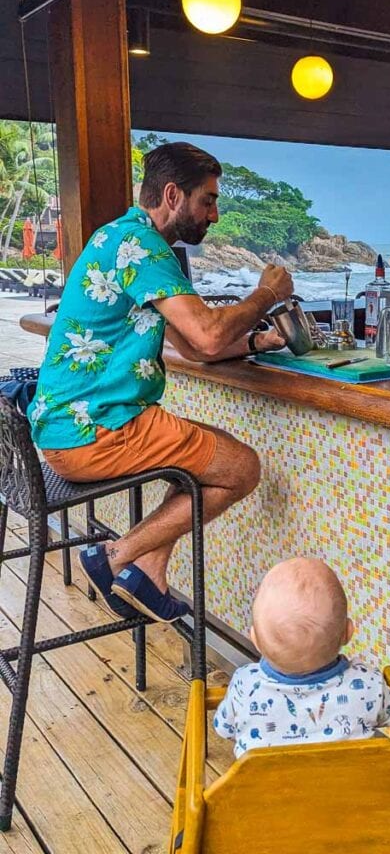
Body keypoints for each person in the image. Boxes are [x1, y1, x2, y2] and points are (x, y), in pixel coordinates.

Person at [27, 142, 293, 623]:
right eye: (207, 200)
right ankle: (114, 558)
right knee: (242, 469)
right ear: (173, 195)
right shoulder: (145, 249)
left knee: (209, 458)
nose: (213, 214)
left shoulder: (122, 238)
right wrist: (267, 294)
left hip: (68, 427)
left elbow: (192, 345)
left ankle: (148, 566)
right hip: (98, 431)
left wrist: (257, 342)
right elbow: (208, 337)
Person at [213, 558, 390, 757]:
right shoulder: (368, 683)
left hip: (269, 786)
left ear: (255, 639)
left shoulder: (245, 685)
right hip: (347, 786)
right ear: (347, 633)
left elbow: (224, 728)